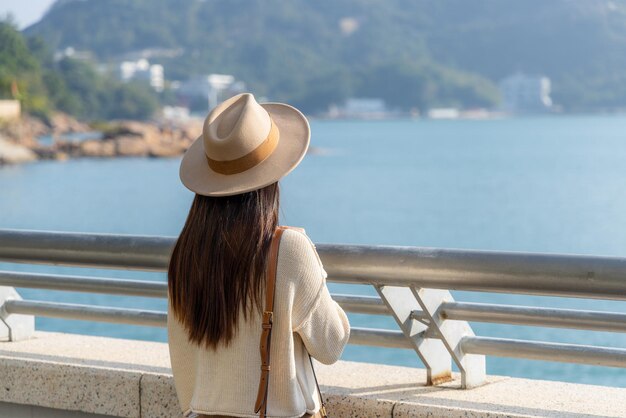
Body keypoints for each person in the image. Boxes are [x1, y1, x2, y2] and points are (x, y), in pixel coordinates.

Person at [167, 93, 350, 418]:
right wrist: (313, 274)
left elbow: (183, 360)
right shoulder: (289, 248)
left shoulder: (187, 252)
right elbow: (331, 344)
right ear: (271, 177)